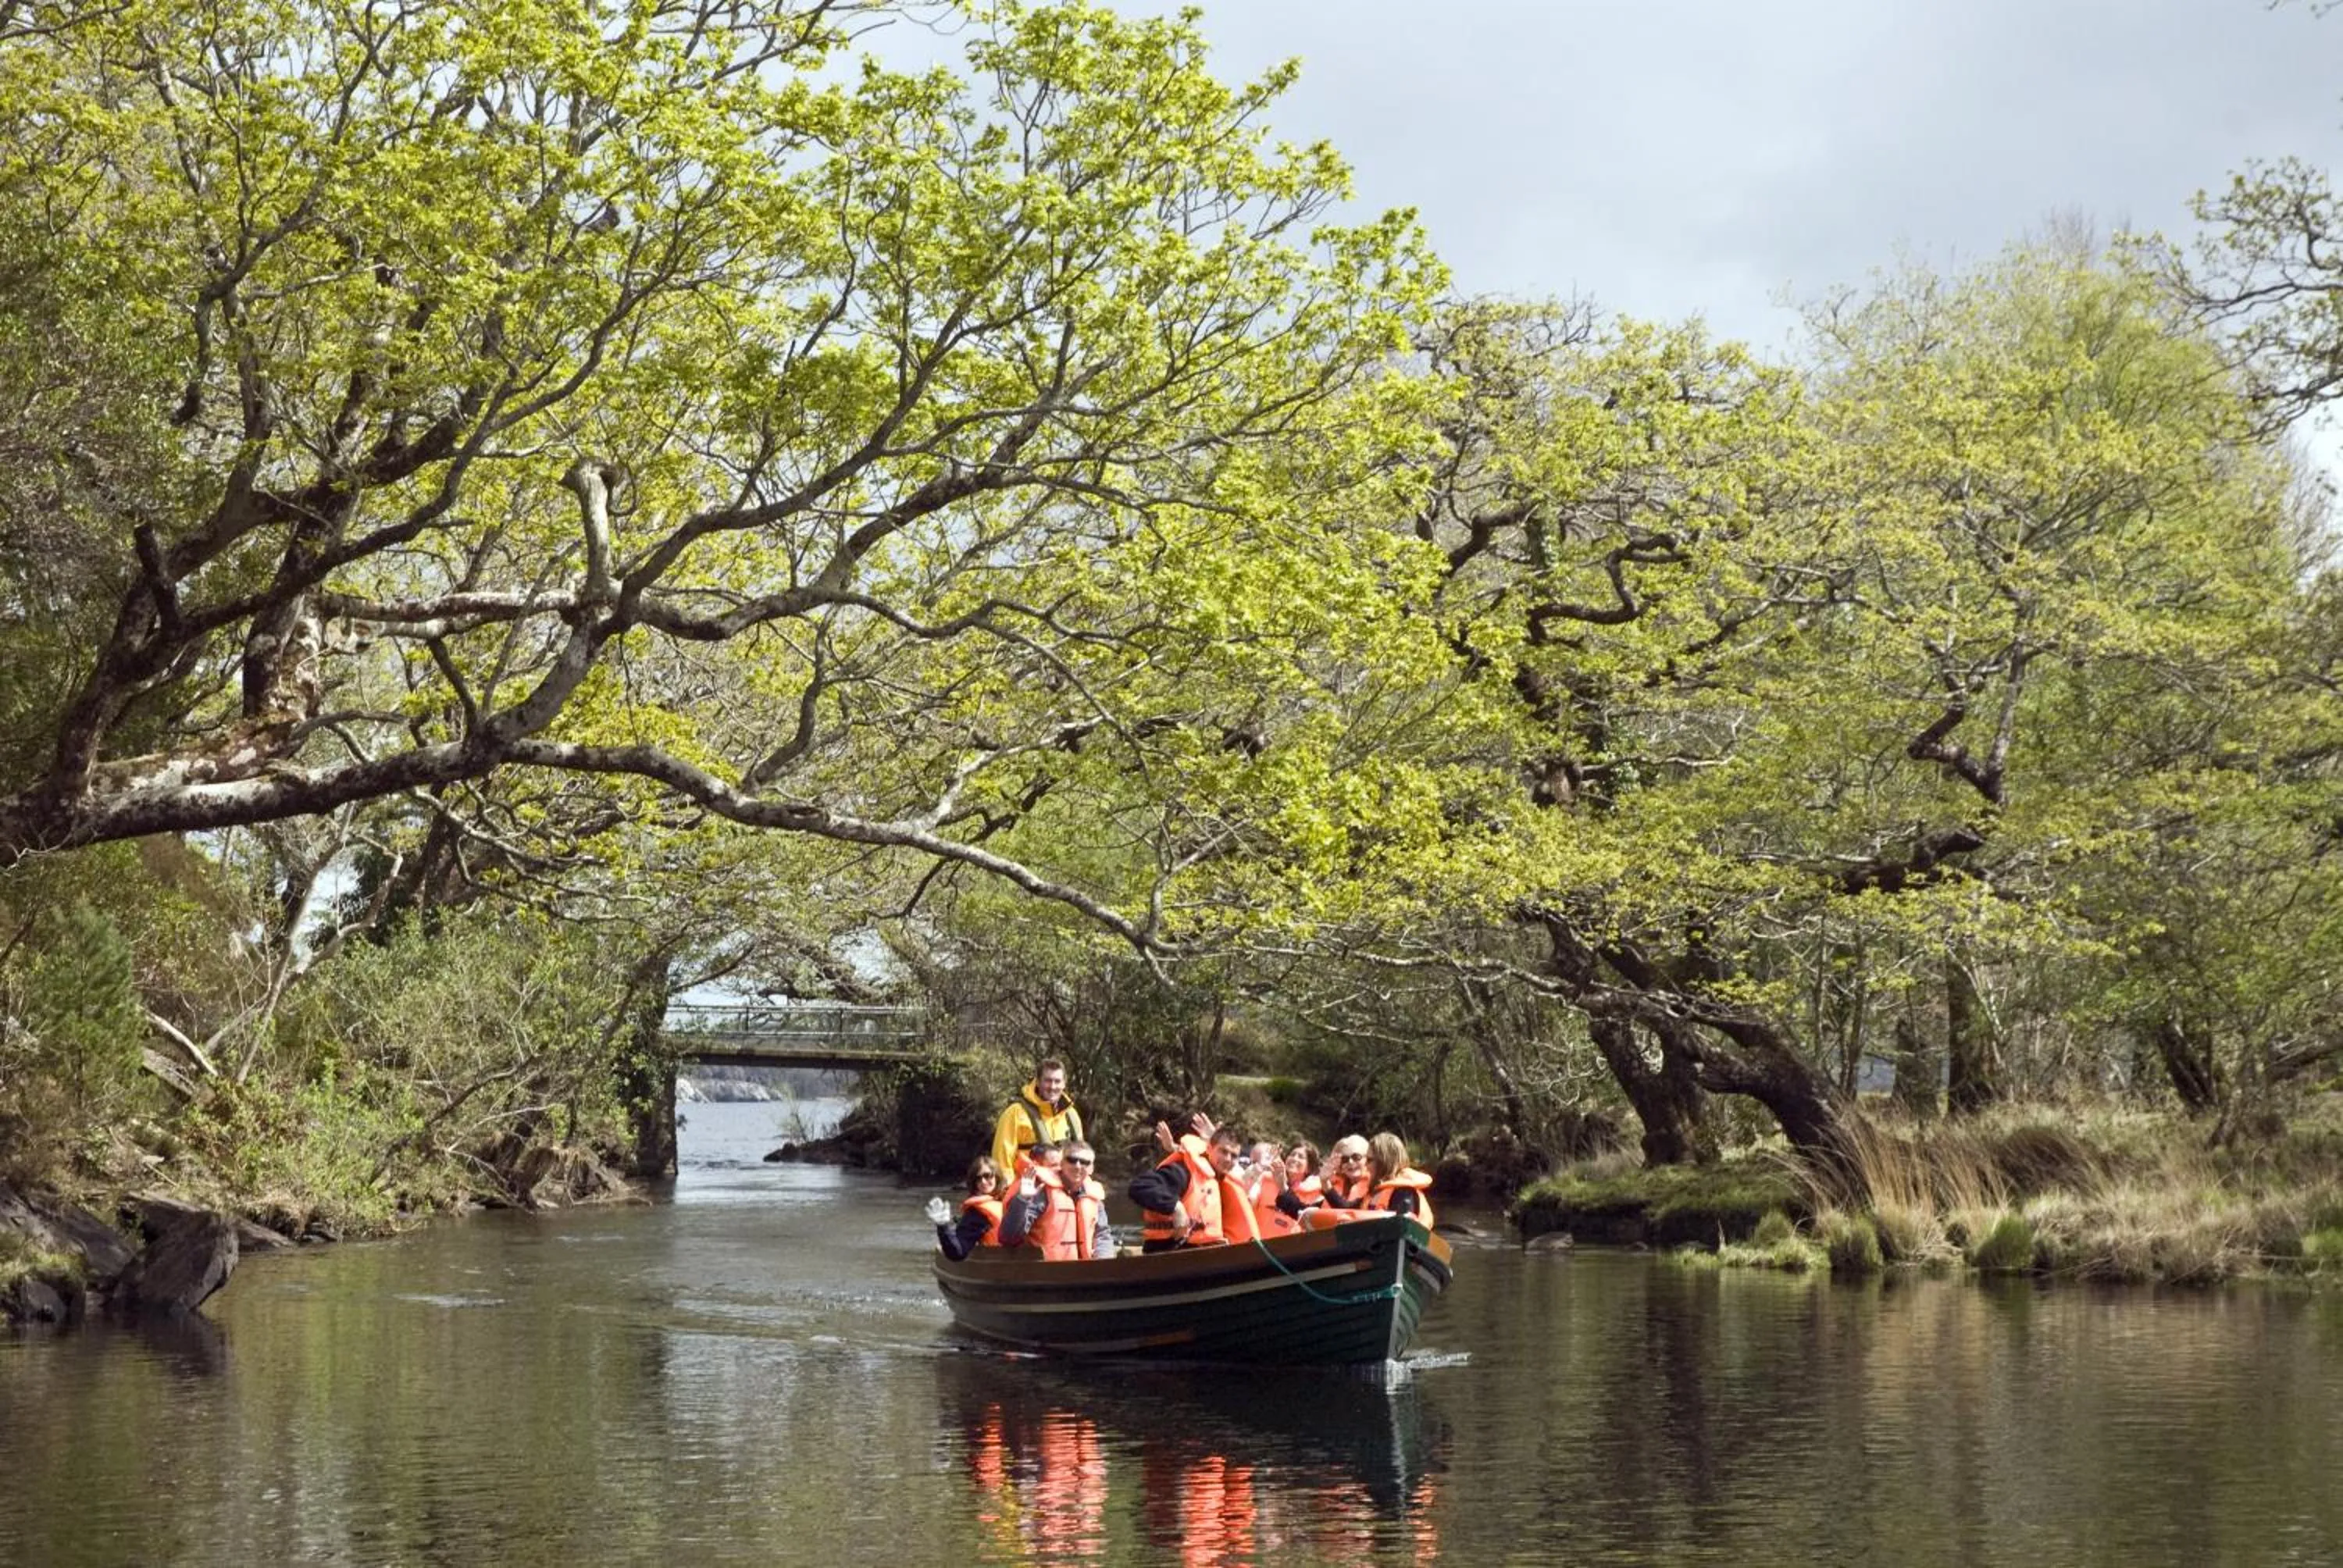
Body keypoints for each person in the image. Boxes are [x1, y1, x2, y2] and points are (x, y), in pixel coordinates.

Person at [1129, 1117, 1241, 1251]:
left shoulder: (1221, 1180)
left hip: (1207, 1252)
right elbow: (1139, 1187)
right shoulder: (1183, 1171)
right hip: (1171, 1252)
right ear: (1210, 1148)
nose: (1228, 1159)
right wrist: (1176, 1208)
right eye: (1223, 1151)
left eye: (1234, 1156)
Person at [991, 1057, 1083, 1176]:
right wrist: (1006, 1190)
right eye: (1048, 1081)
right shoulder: (1015, 1113)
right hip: (1026, 1189)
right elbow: (1001, 1160)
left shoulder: (1071, 1115)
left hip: (1065, 1187)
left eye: (1057, 1081)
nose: (1053, 1087)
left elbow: (1083, 1159)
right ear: (1038, 1082)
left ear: (1064, 1083)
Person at [929, 1155, 1007, 1260]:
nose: (983, 1182)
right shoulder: (977, 1213)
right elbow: (958, 1252)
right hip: (1002, 1266)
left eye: (988, 1176)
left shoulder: (1012, 1201)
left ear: (997, 1176)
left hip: (1011, 1263)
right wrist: (943, 1227)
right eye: (978, 1179)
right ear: (973, 1183)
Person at [1361, 1131, 1436, 1228]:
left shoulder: (1404, 1192)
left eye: (1369, 1160)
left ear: (1383, 1163)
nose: (1365, 1165)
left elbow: (1401, 1232)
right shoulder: (1373, 1191)